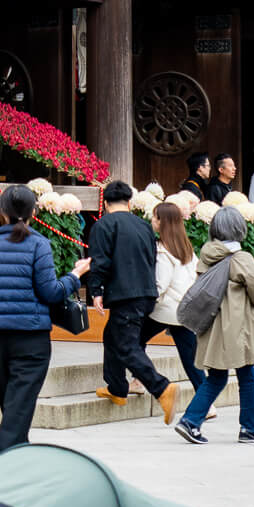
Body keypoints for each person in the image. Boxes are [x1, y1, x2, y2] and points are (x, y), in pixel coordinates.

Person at [0, 185, 90, 459]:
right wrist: (74, 276)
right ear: (33, 212)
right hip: (31, 341)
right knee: (17, 412)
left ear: (2, 213)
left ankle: (17, 464)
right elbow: (51, 293)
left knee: (14, 410)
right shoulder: (39, 245)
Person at [173, 205, 254, 445]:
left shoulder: (206, 257)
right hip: (237, 330)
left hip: (212, 329)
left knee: (216, 378)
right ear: (240, 229)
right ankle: (249, 428)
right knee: (247, 378)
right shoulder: (242, 259)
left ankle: (191, 420)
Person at [86, 180, 179, 425]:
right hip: (146, 293)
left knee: (126, 346)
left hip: (125, 294)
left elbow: (100, 261)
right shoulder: (143, 226)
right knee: (112, 336)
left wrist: (96, 290)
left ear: (105, 204)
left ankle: (161, 388)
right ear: (129, 202)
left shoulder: (103, 226)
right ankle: (117, 388)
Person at [139, 199, 215, 419]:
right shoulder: (186, 248)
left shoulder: (163, 252)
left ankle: (140, 379)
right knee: (190, 359)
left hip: (165, 310)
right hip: (184, 310)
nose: (152, 220)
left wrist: (146, 302)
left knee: (133, 341)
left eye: (155, 217)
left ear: (162, 222)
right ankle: (207, 403)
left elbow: (160, 287)